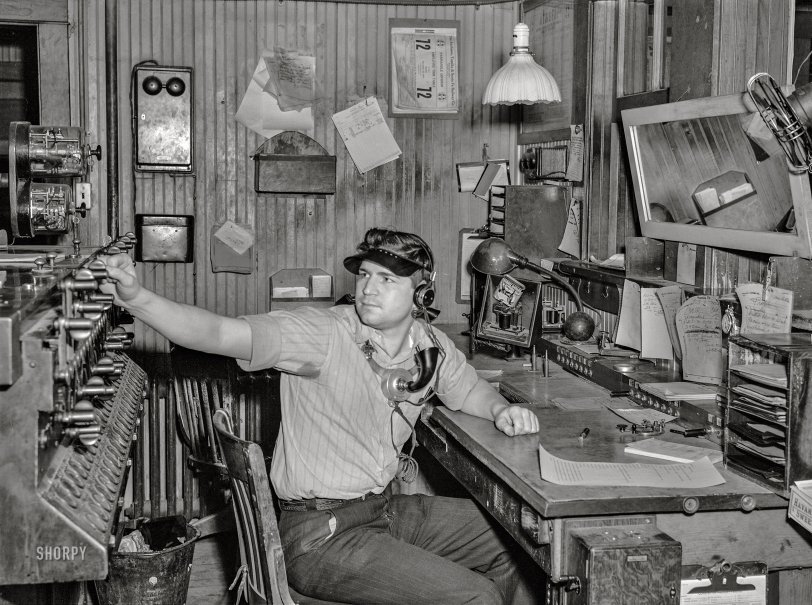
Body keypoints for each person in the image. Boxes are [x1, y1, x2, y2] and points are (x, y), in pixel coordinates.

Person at [101, 227, 540, 604]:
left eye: (387, 279)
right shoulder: (322, 333)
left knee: (516, 544)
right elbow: (219, 332)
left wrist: (500, 409)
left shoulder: (429, 347)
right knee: (476, 597)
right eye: (365, 274)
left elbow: (468, 391)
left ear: (421, 293)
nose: (368, 288)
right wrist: (137, 299)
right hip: (319, 534)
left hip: (382, 509)